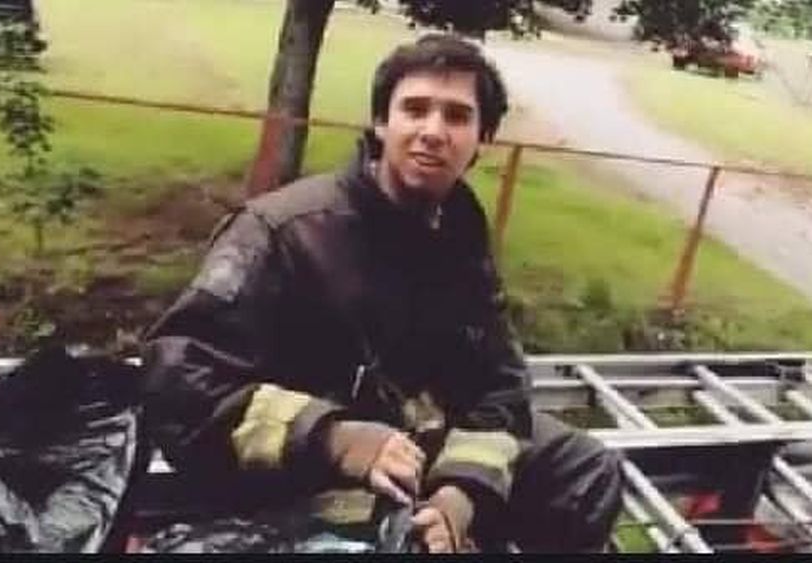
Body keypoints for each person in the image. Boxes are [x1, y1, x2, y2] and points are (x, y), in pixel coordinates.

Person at [142, 33, 624, 553]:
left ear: (483, 138)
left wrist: (462, 492)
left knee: (585, 469)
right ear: (380, 122)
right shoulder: (284, 232)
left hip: (417, 453)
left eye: (457, 116)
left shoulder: (459, 234)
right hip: (300, 477)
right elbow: (179, 382)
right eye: (414, 109)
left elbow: (499, 387)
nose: (432, 132)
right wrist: (334, 439)